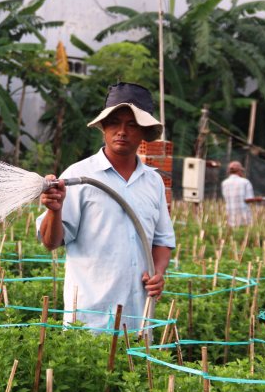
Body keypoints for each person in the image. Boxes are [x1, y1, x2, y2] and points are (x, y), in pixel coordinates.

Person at [37, 82, 175, 332]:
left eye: (132, 124)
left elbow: (162, 240)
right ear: (103, 128)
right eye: (114, 122)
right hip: (90, 319)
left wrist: (158, 273)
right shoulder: (80, 175)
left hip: (139, 318)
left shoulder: (153, 181)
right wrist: (54, 210)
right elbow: (51, 242)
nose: (121, 131)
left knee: (136, 371)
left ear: (144, 132)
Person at [221, 161, 263, 227]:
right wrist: (258, 199)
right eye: (242, 171)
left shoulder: (224, 183)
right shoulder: (245, 182)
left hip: (230, 218)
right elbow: (248, 199)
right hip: (243, 219)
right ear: (239, 171)